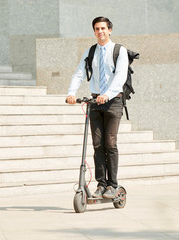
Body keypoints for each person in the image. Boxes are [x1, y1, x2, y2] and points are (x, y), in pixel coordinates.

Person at [66, 16, 128, 198]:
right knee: (97, 144)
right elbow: (79, 73)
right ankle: (101, 184)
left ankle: (113, 185)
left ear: (110, 30)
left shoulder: (119, 51)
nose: (100, 32)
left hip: (113, 101)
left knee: (110, 143)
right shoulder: (90, 51)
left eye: (103, 28)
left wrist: (107, 95)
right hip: (95, 102)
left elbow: (120, 77)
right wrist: (71, 93)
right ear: (94, 32)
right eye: (96, 29)